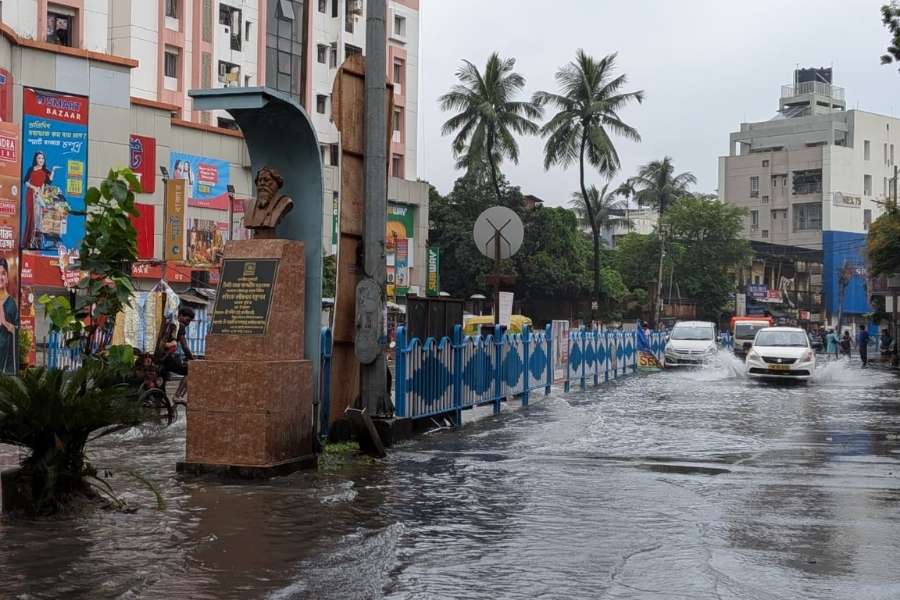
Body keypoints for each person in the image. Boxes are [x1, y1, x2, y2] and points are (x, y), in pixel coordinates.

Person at [22, 151, 60, 249]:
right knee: (31, 217)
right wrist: (33, 187)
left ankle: (36, 242)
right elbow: (25, 181)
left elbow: (49, 181)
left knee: (38, 218)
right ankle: (28, 242)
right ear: (36, 159)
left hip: (39, 197)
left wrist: (53, 170)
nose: (41, 160)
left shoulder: (45, 170)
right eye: (39, 158)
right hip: (30, 195)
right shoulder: (31, 169)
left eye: (42, 158)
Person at [155, 306, 195, 377]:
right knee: (190, 370)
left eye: (189, 321)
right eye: (187, 320)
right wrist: (193, 360)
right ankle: (183, 388)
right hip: (166, 357)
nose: (188, 323)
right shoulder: (180, 326)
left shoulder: (167, 322)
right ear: (181, 315)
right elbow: (185, 347)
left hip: (157, 356)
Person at [0, 258, 18, 374]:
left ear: (7, 278)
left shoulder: (11, 303)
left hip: (5, 360)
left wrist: (5, 323)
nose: (0, 277)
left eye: (3, 273)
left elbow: (17, 329)